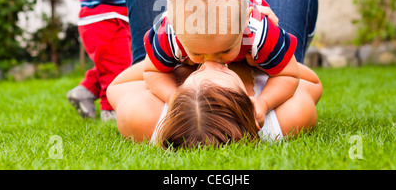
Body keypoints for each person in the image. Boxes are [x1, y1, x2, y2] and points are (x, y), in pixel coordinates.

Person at [124, 0, 317, 127]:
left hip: (254, 31)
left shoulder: (259, 32)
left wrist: (264, 102)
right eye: (198, 53)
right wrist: (174, 98)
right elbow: (152, 71)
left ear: (245, 24)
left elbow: (289, 74)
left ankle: (275, 51)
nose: (211, 62)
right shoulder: (169, 33)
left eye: (224, 51)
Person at [107, 59, 322, 149]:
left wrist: (173, 57)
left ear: (181, 91)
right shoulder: (282, 120)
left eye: (198, 71)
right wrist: (263, 58)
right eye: (224, 70)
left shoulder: (145, 115)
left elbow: (117, 86)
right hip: (274, 61)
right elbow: (313, 82)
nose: (209, 62)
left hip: (172, 58)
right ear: (247, 99)